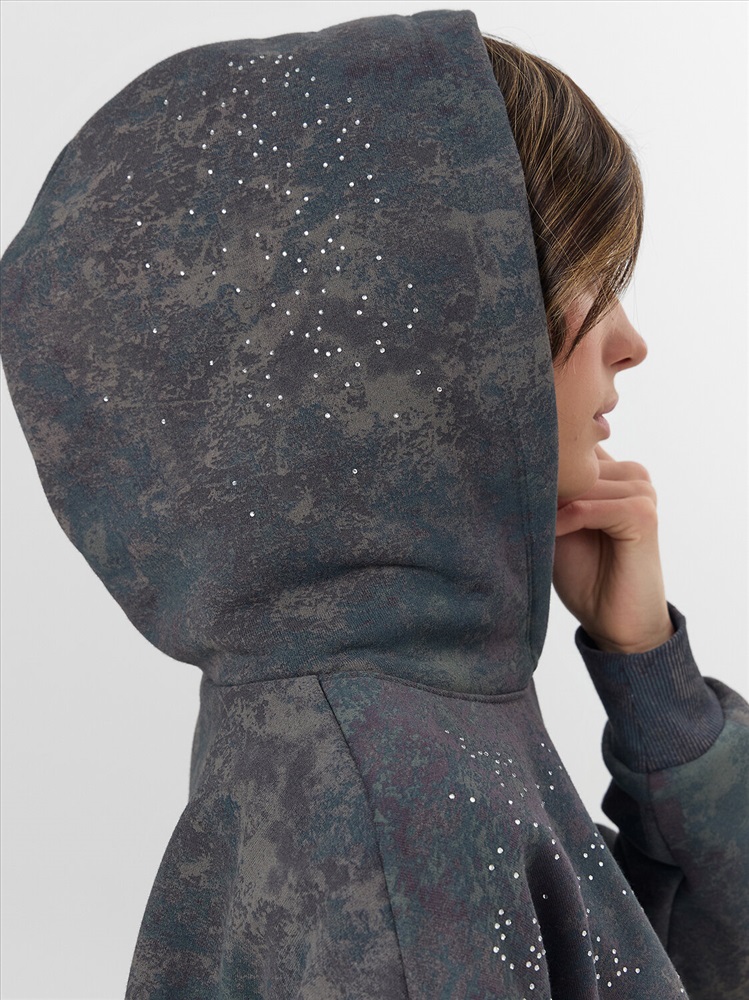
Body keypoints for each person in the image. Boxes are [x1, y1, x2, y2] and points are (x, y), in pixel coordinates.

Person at [1, 9, 746, 998]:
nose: (629, 341)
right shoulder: (396, 798)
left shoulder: (396, 709)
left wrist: (647, 667)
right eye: (583, 279)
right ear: (429, 332)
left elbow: (655, 953)